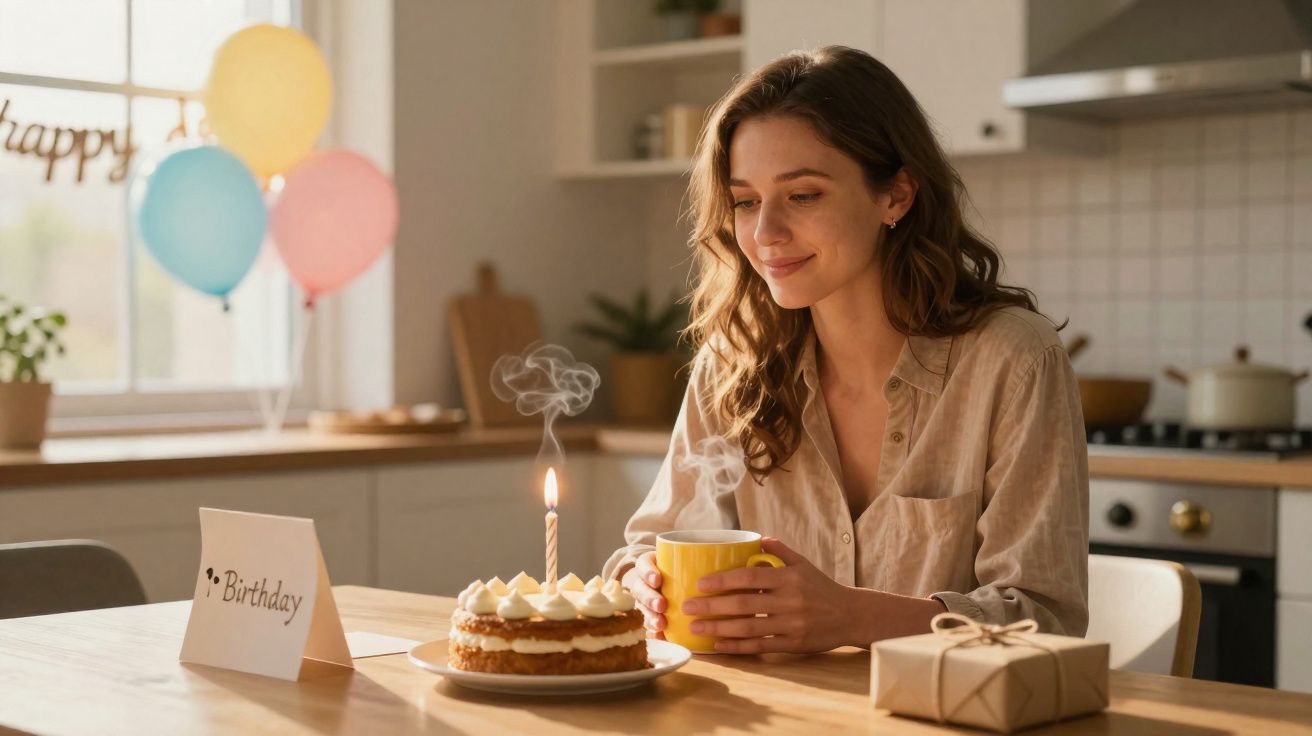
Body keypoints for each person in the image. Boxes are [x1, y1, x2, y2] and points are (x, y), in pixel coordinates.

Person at [601, 46, 1089, 654]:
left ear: (897, 196)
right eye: (746, 201)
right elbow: (647, 547)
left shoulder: (1013, 360)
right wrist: (643, 582)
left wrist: (854, 618)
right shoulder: (734, 362)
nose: (766, 233)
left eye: (803, 195)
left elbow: (1045, 619)